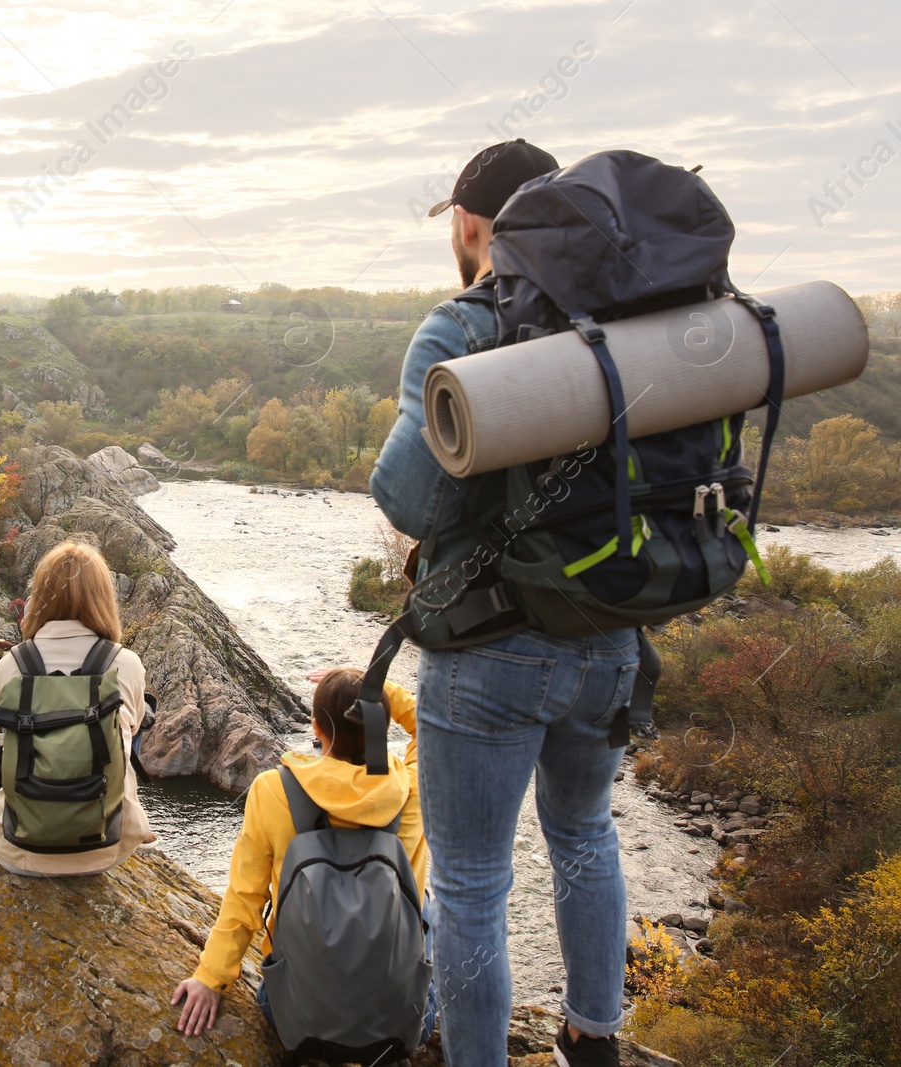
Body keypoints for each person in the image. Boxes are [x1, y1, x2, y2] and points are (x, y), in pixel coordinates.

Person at [370, 139, 638, 1067]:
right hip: (610, 632)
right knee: (586, 833)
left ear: (471, 222)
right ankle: (593, 1037)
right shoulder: (627, 313)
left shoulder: (463, 323)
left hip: (490, 650)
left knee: (477, 882)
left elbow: (408, 496)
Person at [171, 670, 432, 1040]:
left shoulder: (273, 789)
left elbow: (245, 898)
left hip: (295, 1014)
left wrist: (210, 978)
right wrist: (377, 685)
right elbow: (429, 722)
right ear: (382, 725)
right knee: (427, 904)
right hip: (398, 1020)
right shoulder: (412, 788)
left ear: (316, 728)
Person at [0, 541, 155, 876]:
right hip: (105, 849)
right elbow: (130, 733)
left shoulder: (12, 665)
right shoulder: (125, 664)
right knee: (134, 719)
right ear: (103, 598)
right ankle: (130, 814)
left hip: (17, 849)